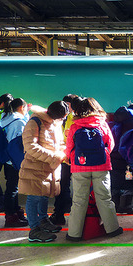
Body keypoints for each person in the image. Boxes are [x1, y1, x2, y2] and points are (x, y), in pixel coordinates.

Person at [65, 97, 122, 241]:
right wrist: (104, 155)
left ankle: (74, 234)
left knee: (78, 200)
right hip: (101, 166)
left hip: (79, 167)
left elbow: (69, 147)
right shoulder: (102, 124)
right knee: (104, 198)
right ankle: (112, 229)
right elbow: (111, 144)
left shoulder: (74, 125)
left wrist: (72, 159)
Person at [18, 101, 68, 242]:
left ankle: (43, 221)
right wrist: (54, 157)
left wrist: (63, 152)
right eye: (63, 117)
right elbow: (30, 146)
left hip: (48, 168)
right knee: (34, 197)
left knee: (44, 195)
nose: (63, 120)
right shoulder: (35, 122)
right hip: (35, 167)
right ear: (55, 114)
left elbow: (60, 143)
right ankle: (34, 229)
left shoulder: (54, 123)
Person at [0, 98, 30, 227]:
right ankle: (11, 217)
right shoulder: (18, 122)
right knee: (12, 189)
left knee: (12, 187)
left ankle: (14, 213)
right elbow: (17, 144)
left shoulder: (6, 117)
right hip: (14, 160)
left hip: (7, 158)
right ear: (21, 107)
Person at [51, 94, 79, 225]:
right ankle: (72, 216)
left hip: (66, 158)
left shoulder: (70, 119)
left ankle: (60, 214)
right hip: (73, 158)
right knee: (69, 187)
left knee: (63, 187)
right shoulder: (73, 118)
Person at [109, 104, 133, 214]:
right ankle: (126, 205)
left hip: (113, 160)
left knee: (115, 183)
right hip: (128, 161)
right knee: (129, 183)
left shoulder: (113, 125)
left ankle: (115, 205)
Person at [0, 93, 14, 215]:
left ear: (2, 103)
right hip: (10, 154)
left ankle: (1, 202)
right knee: (12, 184)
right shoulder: (17, 116)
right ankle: (9, 208)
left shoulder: (0, 114)